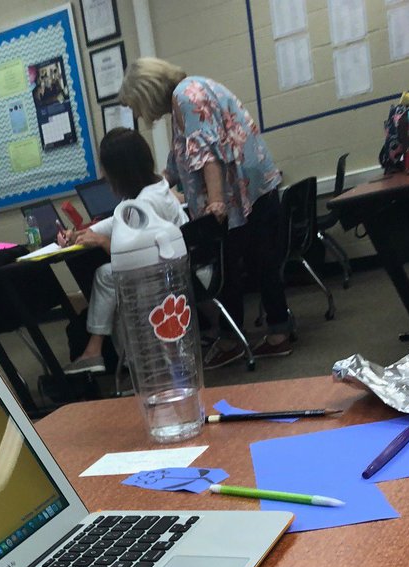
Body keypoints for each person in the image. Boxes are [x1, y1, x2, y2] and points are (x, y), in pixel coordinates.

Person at [118, 58, 292, 368]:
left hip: (241, 193)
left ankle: (251, 339)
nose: (139, 114)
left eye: (136, 105)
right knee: (252, 263)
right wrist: (156, 185)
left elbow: (208, 154)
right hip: (251, 188)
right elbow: (179, 159)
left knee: (236, 267)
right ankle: (252, 334)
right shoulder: (188, 93)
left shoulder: (186, 98)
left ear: (146, 92)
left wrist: (215, 205)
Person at [57, 126, 187, 374]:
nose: (103, 174)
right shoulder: (155, 188)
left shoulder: (146, 202)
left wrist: (102, 242)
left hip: (168, 276)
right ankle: (97, 352)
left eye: (105, 168)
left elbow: (137, 258)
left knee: (108, 276)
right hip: (176, 267)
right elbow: (117, 221)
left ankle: (100, 353)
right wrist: (79, 234)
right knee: (107, 276)